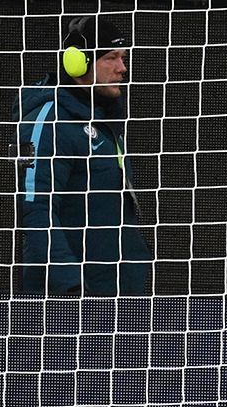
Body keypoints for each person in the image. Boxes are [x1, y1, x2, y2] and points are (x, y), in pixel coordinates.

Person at [15, 15, 153, 297]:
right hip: (71, 304)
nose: (122, 68)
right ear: (79, 63)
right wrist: (71, 287)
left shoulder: (105, 120)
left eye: (123, 58)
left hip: (119, 293)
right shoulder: (52, 121)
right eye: (111, 58)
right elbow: (36, 209)